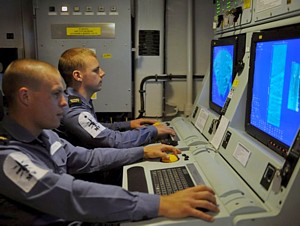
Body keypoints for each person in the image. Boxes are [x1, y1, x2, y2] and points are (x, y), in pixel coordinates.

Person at [0, 59, 219, 225]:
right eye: (56, 94)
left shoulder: (46, 135)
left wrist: (143, 152)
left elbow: (88, 158)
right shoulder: (8, 158)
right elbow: (69, 195)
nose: (64, 103)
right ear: (25, 97)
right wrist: (162, 203)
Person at [57, 48, 176, 149]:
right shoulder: (74, 112)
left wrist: (129, 124)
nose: (102, 73)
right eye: (96, 70)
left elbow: (97, 128)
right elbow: (112, 141)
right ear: (78, 76)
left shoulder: (79, 101)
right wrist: (153, 131)